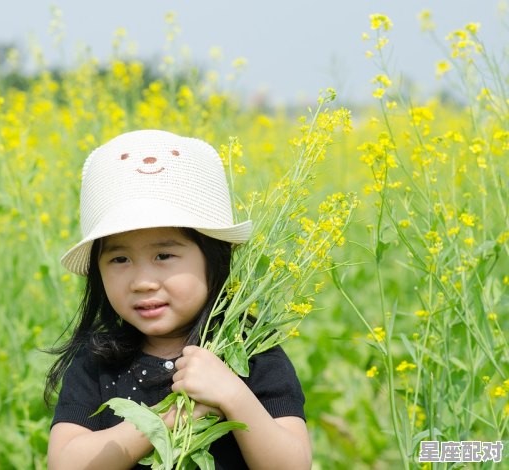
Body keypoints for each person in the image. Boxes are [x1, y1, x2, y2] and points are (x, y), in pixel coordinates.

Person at [45, 130, 311, 469]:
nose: (142, 282)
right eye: (119, 259)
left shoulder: (251, 352)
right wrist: (169, 418)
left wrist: (233, 396)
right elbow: (64, 464)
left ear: (213, 258)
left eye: (164, 256)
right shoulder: (98, 359)